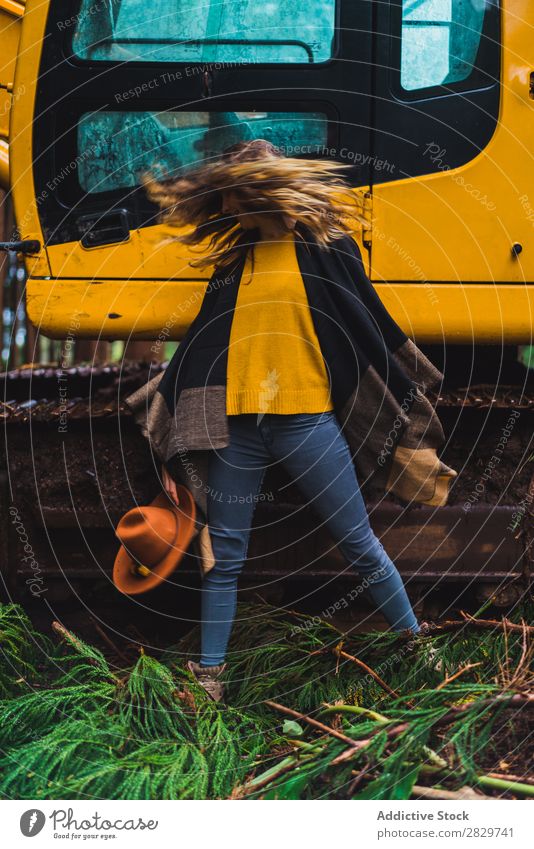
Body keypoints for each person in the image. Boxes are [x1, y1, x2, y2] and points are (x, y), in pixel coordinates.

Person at [138, 139, 446, 702]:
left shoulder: (328, 249)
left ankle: (421, 652)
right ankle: (210, 678)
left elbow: (363, 321)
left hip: (308, 423)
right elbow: (206, 343)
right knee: (223, 554)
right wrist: (167, 405)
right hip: (238, 430)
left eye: (233, 194)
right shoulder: (236, 262)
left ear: (256, 190)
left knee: (359, 545)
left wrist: (404, 377)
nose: (227, 206)